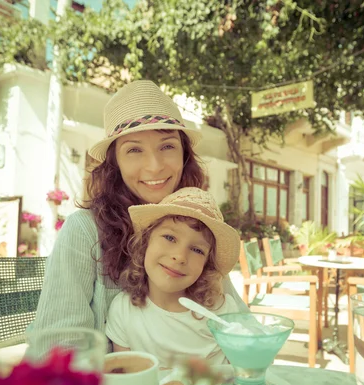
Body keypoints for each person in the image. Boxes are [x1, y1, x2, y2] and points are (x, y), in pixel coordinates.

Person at [26, 80, 248, 357]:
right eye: (134, 149)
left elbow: (240, 326)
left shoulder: (198, 224)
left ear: (184, 155)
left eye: (167, 146)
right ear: (114, 162)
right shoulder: (84, 231)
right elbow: (58, 351)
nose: (154, 166)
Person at [105, 187, 241, 367]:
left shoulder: (223, 312)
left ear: (206, 264)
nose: (180, 256)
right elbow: (125, 381)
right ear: (145, 242)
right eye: (169, 237)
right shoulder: (124, 310)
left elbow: (245, 376)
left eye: (197, 250)